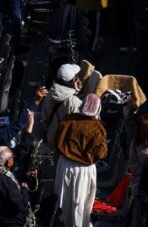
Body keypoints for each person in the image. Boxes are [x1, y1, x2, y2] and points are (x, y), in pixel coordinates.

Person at [53, 93, 107, 227]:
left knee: (62, 198)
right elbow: (101, 154)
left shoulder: (68, 119)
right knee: (80, 201)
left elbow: (57, 141)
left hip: (64, 164)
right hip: (83, 170)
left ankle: (59, 223)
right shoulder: (98, 128)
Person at [0, 145, 31, 227]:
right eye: (12, 157)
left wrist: (25, 176)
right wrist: (24, 190)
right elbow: (21, 207)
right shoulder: (6, 182)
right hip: (11, 221)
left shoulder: (4, 175)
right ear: (8, 162)